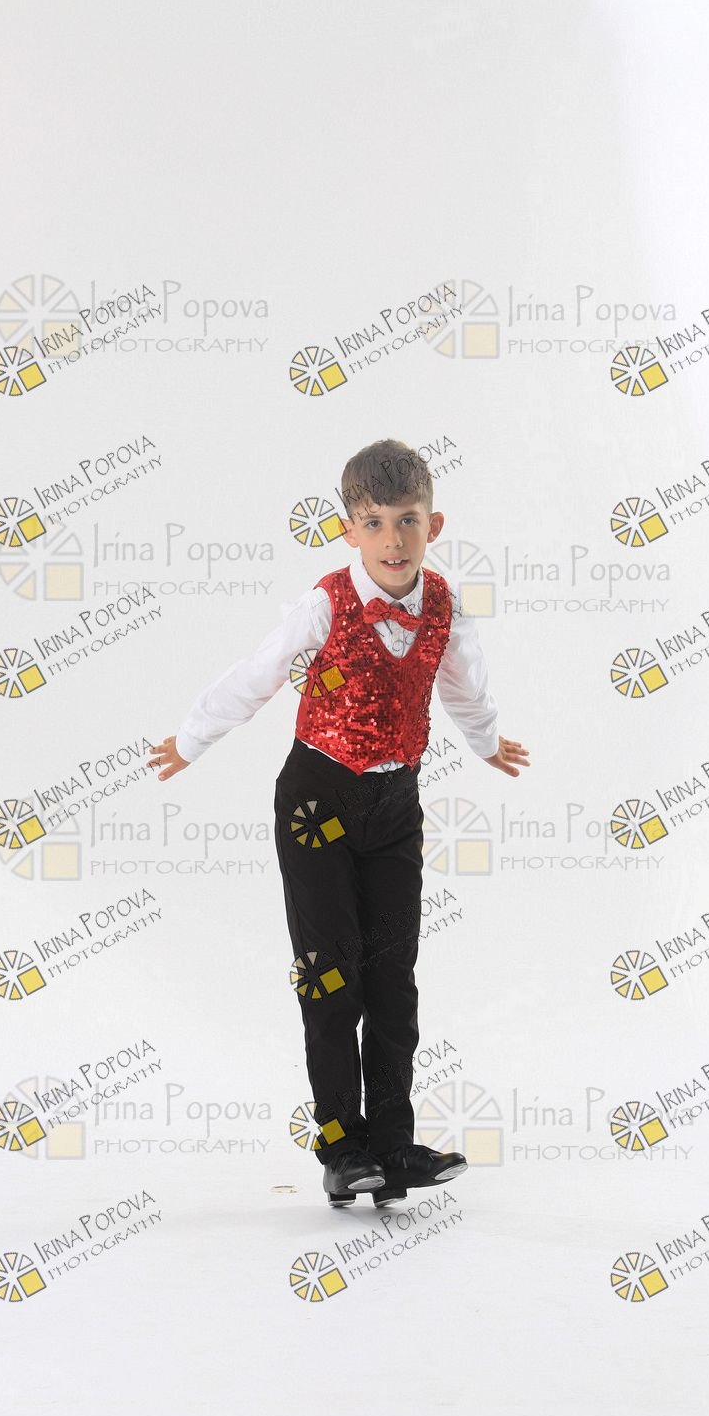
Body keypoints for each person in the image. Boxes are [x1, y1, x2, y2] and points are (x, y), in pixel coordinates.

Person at [147, 439, 530, 1209]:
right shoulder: (324, 604)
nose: (393, 539)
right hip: (317, 799)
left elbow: (463, 686)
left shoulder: (444, 606)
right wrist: (191, 739)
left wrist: (487, 742)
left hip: (395, 803)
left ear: (434, 525)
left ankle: (392, 1146)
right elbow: (256, 676)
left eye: (408, 521)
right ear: (349, 529)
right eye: (375, 522)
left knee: (393, 975)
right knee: (331, 976)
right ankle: (341, 1149)